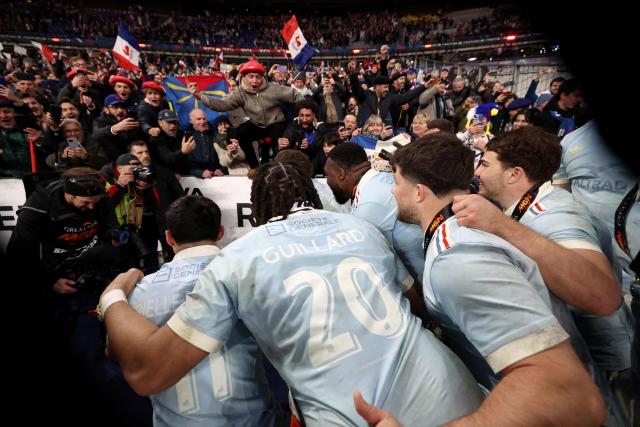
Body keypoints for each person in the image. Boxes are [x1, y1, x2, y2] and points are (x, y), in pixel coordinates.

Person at [99, 162, 483, 427]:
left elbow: (149, 372)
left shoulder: (238, 258)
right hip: (455, 393)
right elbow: (415, 307)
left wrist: (113, 296)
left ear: (259, 209)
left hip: (355, 414)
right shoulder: (361, 229)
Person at [389, 133, 605, 425]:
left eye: (396, 182)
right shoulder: (465, 231)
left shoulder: (458, 257)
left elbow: (561, 389)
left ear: (419, 192)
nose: (392, 192)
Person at [455, 126, 632, 425]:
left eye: (485, 164)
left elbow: (603, 296)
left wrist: (500, 225)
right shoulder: (529, 209)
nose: (477, 171)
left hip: (604, 363)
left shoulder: (556, 215)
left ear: (514, 174)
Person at [127, 195, 278, 426]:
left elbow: (121, 354)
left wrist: (113, 295)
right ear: (220, 232)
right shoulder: (252, 277)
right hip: (253, 418)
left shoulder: (138, 291)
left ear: (168, 237)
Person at [324, 142, 424, 289]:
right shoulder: (381, 179)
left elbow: (377, 271)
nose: (327, 181)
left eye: (328, 175)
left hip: (426, 290)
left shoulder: (367, 206)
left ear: (341, 173)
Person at [190, 60, 305, 168]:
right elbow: (222, 104)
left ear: (263, 77)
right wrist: (200, 96)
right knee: (241, 132)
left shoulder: (274, 89)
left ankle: (279, 167)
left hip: (276, 124)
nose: (255, 80)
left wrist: (302, 111)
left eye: (258, 77)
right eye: (251, 77)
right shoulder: (240, 93)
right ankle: (254, 167)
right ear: (244, 78)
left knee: (281, 143)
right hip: (257, 125)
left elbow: (295, 95)